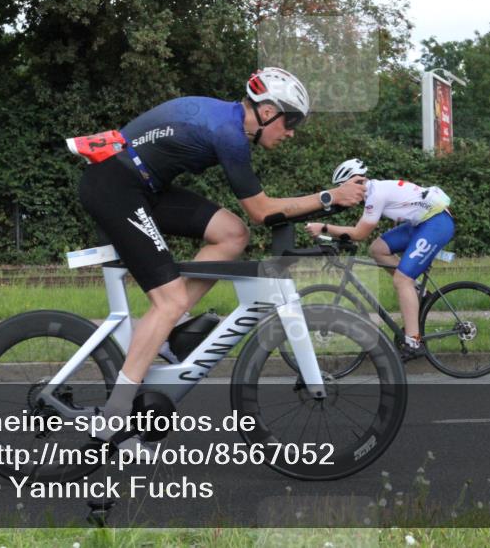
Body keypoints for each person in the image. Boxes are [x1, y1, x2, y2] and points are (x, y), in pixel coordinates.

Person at [70, 68, 366, 445]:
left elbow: (248, 222)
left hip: (144, 185)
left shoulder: (229, 122)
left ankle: (161, 335)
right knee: (170, 297)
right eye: (289, 121)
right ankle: (115, 415)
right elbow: (261, 211)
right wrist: (330, 197)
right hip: (115, 185)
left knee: (231, 233)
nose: (291, 132)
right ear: (267, 112)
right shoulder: (229, 134)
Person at [303, 159, 455, 351]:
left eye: (343, 187)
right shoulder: (373, 191)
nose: (343, 193)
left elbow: (359, 234)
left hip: (436, 224)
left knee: (402, 280)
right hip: (421, 224)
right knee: (377, 249)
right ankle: (420, 293)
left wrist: (323, 228)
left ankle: (413, 342)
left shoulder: (376, 195)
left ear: (357, 181)